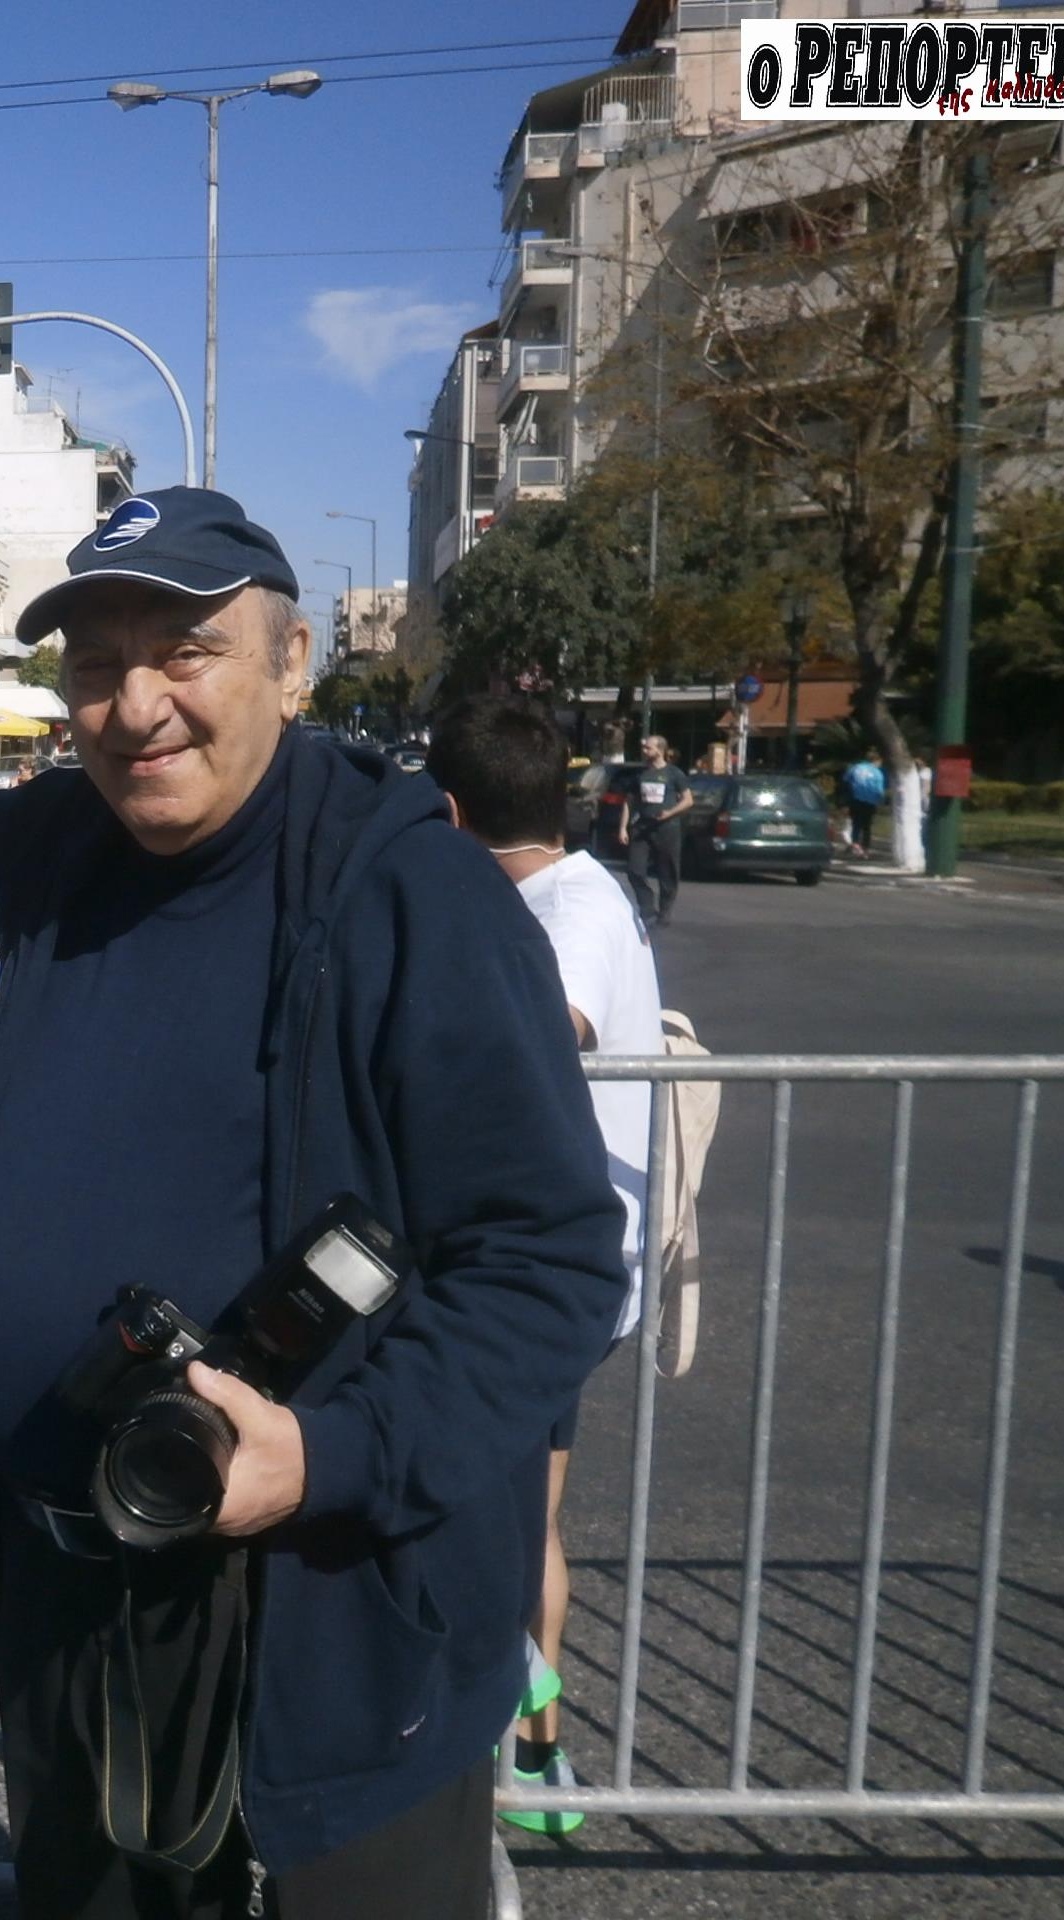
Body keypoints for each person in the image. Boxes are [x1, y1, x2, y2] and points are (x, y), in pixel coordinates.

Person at [0, 489, 627, 1920]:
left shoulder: (410, 892)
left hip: (332, 1651)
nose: (135, 706)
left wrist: (332, 1455)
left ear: (291, 665)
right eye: (95, 665)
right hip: (66, 1630)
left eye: (185, 651)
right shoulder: (28, 866)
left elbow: (547, 1262)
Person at [425, 697, 664, 1836]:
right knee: (528, 1506)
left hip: (548, 1271)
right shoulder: (569, 891)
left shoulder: (566, 909)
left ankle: (524, 1744)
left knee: (517, 1513)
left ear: (448, 813)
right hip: (553, 1260)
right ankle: (531, 1753)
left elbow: (538, 1030)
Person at [618, 734, 693, 927]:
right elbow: (629, 802)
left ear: (660, 750)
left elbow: (688, 800)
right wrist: (623, 828)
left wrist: (670, 813)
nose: (644, 751)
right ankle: (647, 907)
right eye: (644, 748)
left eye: (648, 748)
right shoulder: (640, 775)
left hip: (667, 828)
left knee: (668, 872)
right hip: (642, 828)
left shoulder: (674, 774)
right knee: (635, 870)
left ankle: (665, 910)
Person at [844, 747, 887, 858]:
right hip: (870, 802)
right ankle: (865, 849)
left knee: (856, 824)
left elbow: (846, 781)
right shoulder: (877, 773)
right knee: (866, 826)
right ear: (876, 761)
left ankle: (855, 845)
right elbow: (879, 790)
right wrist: (881, 802)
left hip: (855, 800)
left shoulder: (855, 768)